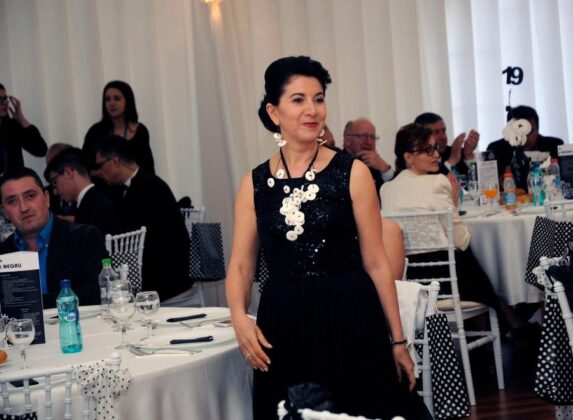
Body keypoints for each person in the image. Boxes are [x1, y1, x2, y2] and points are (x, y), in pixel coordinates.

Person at [226, 56, 429, 419]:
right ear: (274, 112)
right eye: (298, 99)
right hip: (283, 325)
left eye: (318, 99)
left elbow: (376, 262)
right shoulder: (252, 184)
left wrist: (398, 341)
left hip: (350, 317)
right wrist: (239, 318)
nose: (313, 110)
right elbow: (241, 265)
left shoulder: (353, 173)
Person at [381, 123, 534, 335]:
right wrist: (453, 202)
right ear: (408, 157)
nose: (436, 155)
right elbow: (462, 240)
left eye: (435, 148)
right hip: (446, 281)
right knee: (474, 256)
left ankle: (506, 324)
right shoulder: (437, 182)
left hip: (411, 281)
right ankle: (508, 321)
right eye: (428, 150)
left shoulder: (386, 189)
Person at [93, 135, 190, 302]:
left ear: (115, 161)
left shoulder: (148, 188)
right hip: (168, 270)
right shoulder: (142, 184)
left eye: (100, 165)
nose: (99, 172)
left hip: (167, 276)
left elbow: (138, 238)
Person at [0, 167, 106, 308]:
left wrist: (35, 302)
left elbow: (97, 294)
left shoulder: (84, 238)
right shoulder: (3, 253)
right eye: (12, 201)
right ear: (4, 212)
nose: (23, 208)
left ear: (46, 198)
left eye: (30, 196)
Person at [44, 147, 121, 235]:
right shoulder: (92, 201)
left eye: (55, 182)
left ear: (69, 173)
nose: (55, 192)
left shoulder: (95, 207)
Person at [83, 81, 155, 174]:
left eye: (117, 99)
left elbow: (148, 167)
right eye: (107, 99)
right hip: (102, 181)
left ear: (128, 101)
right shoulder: (95, 131)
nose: (111, 103)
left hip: (133, 182)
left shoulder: (140, 131)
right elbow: (84, 165)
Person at [486, 105, 564, 179]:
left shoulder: (554, 146)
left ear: (538, 129)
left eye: (530, 131)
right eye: (519, 131)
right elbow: (490, 181)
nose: (525, 137)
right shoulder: (496, 149)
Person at [0, 83, 48, 174]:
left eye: (5, 98)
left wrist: (23, 121)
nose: (4, 103)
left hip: (15, 180)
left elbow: (41, 150)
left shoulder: (12, 126)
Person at [414, 112, 479, 176]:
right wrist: (452, 161)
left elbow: (475, 179)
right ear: (421, 137)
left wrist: (468, 155)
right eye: (436, 132)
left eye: (443, 131)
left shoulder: (454, 152)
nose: (443, 137)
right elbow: (432, 181)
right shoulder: (417, 158)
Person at [342, 118, 394, 197]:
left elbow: (396, 193)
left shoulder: (375, 166)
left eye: (372, 137)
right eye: (363, 136)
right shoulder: (337, 165)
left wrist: (384, 169)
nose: (369, 142)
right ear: (347, 141)